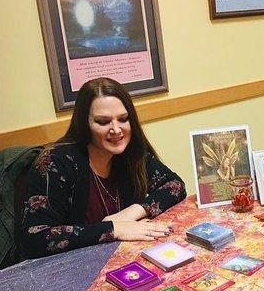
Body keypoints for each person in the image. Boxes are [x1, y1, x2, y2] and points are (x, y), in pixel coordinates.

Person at [21, 77, 187, 258]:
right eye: (103, 122)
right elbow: (35, 238)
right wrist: (113, 229)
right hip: (74, 265)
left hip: (121, 256)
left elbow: (175, 186)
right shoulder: (56, 161)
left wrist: (127, 215)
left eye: (123, 119)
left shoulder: (129, 151)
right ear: (85, 124)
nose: (116, 130)